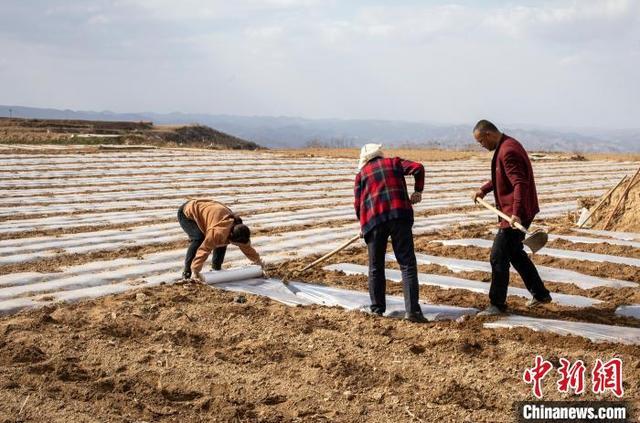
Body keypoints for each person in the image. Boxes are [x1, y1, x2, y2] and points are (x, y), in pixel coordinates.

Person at [471, 120, 552, 315]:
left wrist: (515, 213)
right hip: (517, 212)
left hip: (516, 215)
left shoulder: (508, 151)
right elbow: (501, 177)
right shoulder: (506, 146)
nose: (482, 146)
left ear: (488, 135)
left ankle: (496, 304)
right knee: (515, 253)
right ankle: (540, 294)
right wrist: (484, 189)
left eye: (481, 141)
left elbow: (519, 183)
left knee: (498, 256)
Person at [354, 143, 427, 322]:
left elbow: (358, 204)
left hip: (375, 221)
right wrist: (418, 191)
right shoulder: (394, 163)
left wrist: (363, 225)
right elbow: (418, 168)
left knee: (376, 267)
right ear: (379, 155)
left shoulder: (361, 175)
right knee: (407, 264)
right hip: (399, 216)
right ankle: (413, 312)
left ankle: (377, 309)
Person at [177, 199, 264, 282]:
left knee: (222, 242)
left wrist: (258, 261)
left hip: (209, 211)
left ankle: (216, 268)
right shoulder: (217, 232)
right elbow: (204, 250)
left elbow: (246, 247)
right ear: (231, 236)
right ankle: (187, 272)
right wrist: (195, 270)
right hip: (187, 213)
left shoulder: (239, 229)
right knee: (199, 238)